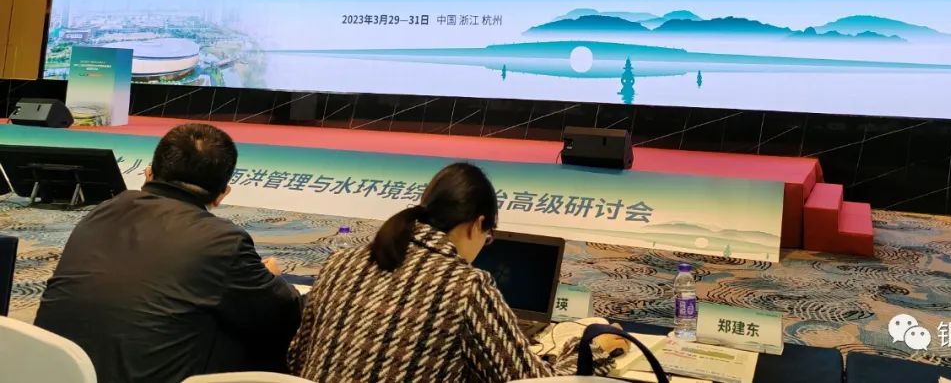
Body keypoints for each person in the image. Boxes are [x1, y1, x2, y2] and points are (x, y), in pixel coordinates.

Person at [289, 162, 627, 383]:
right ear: (478, 224)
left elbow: (297, 358)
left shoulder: (340, 262)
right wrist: (594, 351)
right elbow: (529, 382)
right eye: (488, 237)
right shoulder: (464, 286)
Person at [35, 122, 302, 383]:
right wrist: (271, 279)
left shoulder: (103, 210)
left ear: (149, 174)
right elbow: (285, 314)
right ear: (222, 194)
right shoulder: (223, 240)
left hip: (49, 372)